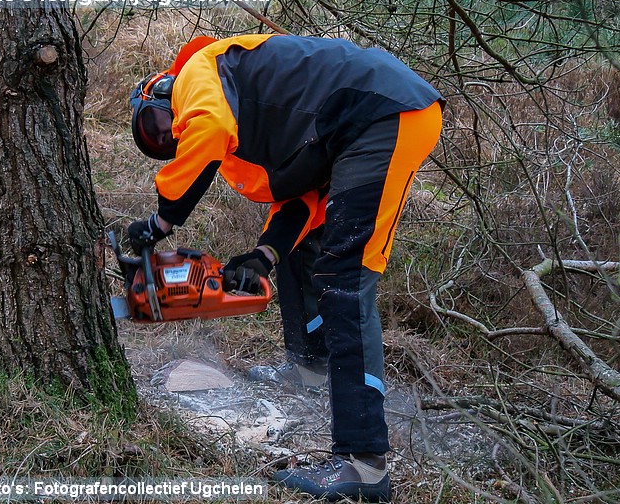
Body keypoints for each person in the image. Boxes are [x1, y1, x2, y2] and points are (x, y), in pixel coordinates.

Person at [126, 34, 443, 502]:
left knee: (345, 281)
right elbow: (301, 198)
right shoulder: (261, 116)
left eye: (158, 127)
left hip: (384, 114)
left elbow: (208, 129)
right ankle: (309, 366)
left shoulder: (200, 72)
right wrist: (263, 256)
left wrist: (162, 219)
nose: (170, 137)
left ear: (160, 91)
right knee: (303, 252)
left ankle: (364, 467)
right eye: (161, 142)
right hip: (363, 122)